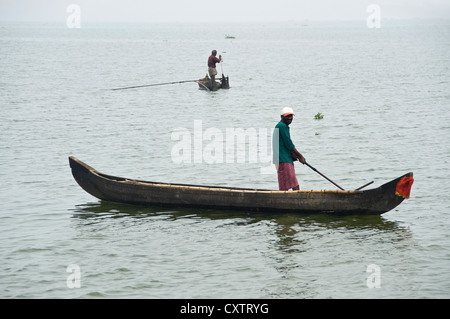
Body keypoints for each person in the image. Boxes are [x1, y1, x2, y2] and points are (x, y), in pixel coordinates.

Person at [273, 107, 306, 191]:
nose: (290, 118)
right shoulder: (282, 126)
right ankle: (298, 201)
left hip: (282, 159)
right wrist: (300, 156)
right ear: (282, 117)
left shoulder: (281, 126)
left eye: (291, 116)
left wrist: (293, 155)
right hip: (283, 159)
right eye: (287, 116)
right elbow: (289, 144)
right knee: (295, 185)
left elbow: (283, 144)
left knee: (284, 188)